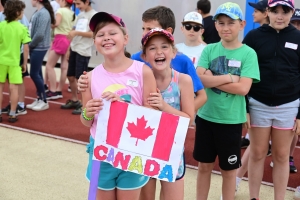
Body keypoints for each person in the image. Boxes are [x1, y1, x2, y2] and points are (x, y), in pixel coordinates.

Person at [82, 12, 157, 200]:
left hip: (133, 152)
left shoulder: (143, 71)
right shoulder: (89, 78)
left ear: (125, 38)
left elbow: (155, 116)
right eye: (100, 35)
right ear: (95, 42)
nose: (106, 38)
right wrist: (88, 113)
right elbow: (85, 122)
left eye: (112, 33)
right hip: (100, 152)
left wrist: (124, 108)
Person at [195, 2, 260, 200]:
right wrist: (230, 77)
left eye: (230, 23)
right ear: (215, 25)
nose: (225, 27)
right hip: (205, 117)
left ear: (242, 24)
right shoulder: (209, 50)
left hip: (231, 121)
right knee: (204, 166)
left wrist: (212, 78)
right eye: (221, 23)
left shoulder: (248, 53)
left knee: (229, 171)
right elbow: (199, 79)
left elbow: (243, 88)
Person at [243, 0, 300, 199]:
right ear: (267, 11)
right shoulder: (253, 37)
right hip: (258, 103)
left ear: (292, 13)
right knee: (257, 153)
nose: (280, 16)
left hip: (288, 105)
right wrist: (246, 107)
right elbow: (243, 73)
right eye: (275, 11)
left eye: (285, 11)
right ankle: (253, 197)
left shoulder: (298, 37)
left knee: (282, 156)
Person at [140, 28, 194, 200]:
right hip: (144, 150)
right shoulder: (140, 81)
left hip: (172, 151)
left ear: (173, 52)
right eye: (152, 48)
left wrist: (163, 106)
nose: (159, 52)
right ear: (144, 56)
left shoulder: (183, 80)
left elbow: (188, 119)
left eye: (164, 46)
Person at [234, 0, 269, 194]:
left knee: (265, 149)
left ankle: (238, 178)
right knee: (256, 147)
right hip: (257, 100)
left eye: (257, 10)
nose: (254, 13)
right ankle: (238, 179)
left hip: (283, 102)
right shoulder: (254, 36)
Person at [60, 0, 96, 115]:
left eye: (79, 4)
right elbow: (73, 31)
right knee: (70, 76)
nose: (77, 6)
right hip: (74, 48)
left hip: (83, 50)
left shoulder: (93, 15)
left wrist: (76, 33)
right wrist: (68, 49)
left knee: (80, 79)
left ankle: (84, 104)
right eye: (75, 4)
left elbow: (93, 34)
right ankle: (75, 100)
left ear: (87, 2)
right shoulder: (80, 15)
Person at [0, 0, 31, 122]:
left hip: (1, 61)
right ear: (17, 12)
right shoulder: (22, 28)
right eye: (22, 11)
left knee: (0, 88)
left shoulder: (1, 25)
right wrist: (24, 63)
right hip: (14, 62)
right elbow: (26, 48)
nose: (23, 13)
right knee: (14, 89)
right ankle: (13, 113)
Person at [26, 0, 55, 111]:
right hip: (36, 46)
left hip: (39, 47)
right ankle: (40, 98)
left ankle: (43, 100)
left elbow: (39, 34)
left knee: (34, 73)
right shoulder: (38, 12)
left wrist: (30, 44)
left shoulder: (43, 13)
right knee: (37, 73)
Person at [45, 0, 75, 100]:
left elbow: (56, 23)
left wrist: (49, 23)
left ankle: (53, 90)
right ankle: (58, 90)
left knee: (49, 65)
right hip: (68, 39)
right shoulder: (72, 13)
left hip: (60, 38)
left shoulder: (60, 10)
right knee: (64, 67)